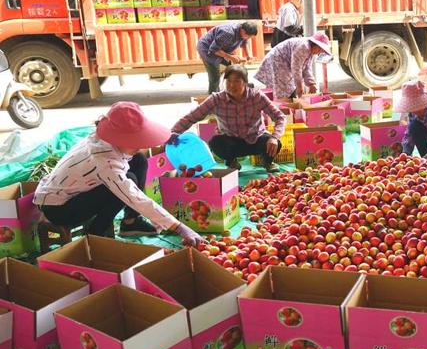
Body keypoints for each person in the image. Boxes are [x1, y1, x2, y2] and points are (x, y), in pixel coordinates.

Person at [33, 102, 204, 245]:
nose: (141, 144)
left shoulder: (103, 137)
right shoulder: (105, 162)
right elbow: (134, 196)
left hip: (73, 193)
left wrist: (164, 139)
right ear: (119, 139)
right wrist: (179, 227)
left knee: (138, 160)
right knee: (122, 186)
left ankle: (130, 221)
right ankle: (94, 234)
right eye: (136, 140)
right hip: (59, 208)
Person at [171, 65, 286, 172]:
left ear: (245, 82)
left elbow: (280, 117)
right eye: (228, 81)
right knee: (216, 143)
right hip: (231, 142)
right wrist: (174, 132)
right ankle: (231, 161)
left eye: (237, 81)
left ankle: (267, 162)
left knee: (275, 143)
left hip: (255, 138)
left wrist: (274, 137)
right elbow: (192, 116)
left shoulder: (257, 96)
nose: (232, 85)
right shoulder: (216, 99)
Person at [254, 32, 332, 100]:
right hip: (278, 61)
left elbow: (307, 68)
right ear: (315, 45)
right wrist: (299, 86)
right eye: (320, 49)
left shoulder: (310, 51)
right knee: (283, 91)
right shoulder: (303, 47)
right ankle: (283, 111)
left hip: (284, 63)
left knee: (289, 89)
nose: (320, 52)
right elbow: (296, 68)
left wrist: (311, 83)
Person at [197, 21, 256, 94]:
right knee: (215, 76)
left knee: (237, 69)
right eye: (247, 35)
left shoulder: (244, 31)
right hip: (207, 49)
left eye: (250, 37)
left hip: (221, 47)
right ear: (242, 29)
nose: (248, 38)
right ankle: (213, 96)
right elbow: (213, 50)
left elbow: (245, 41)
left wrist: (248, 55)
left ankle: (238, 90)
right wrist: (231, 57)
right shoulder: (228, 33)